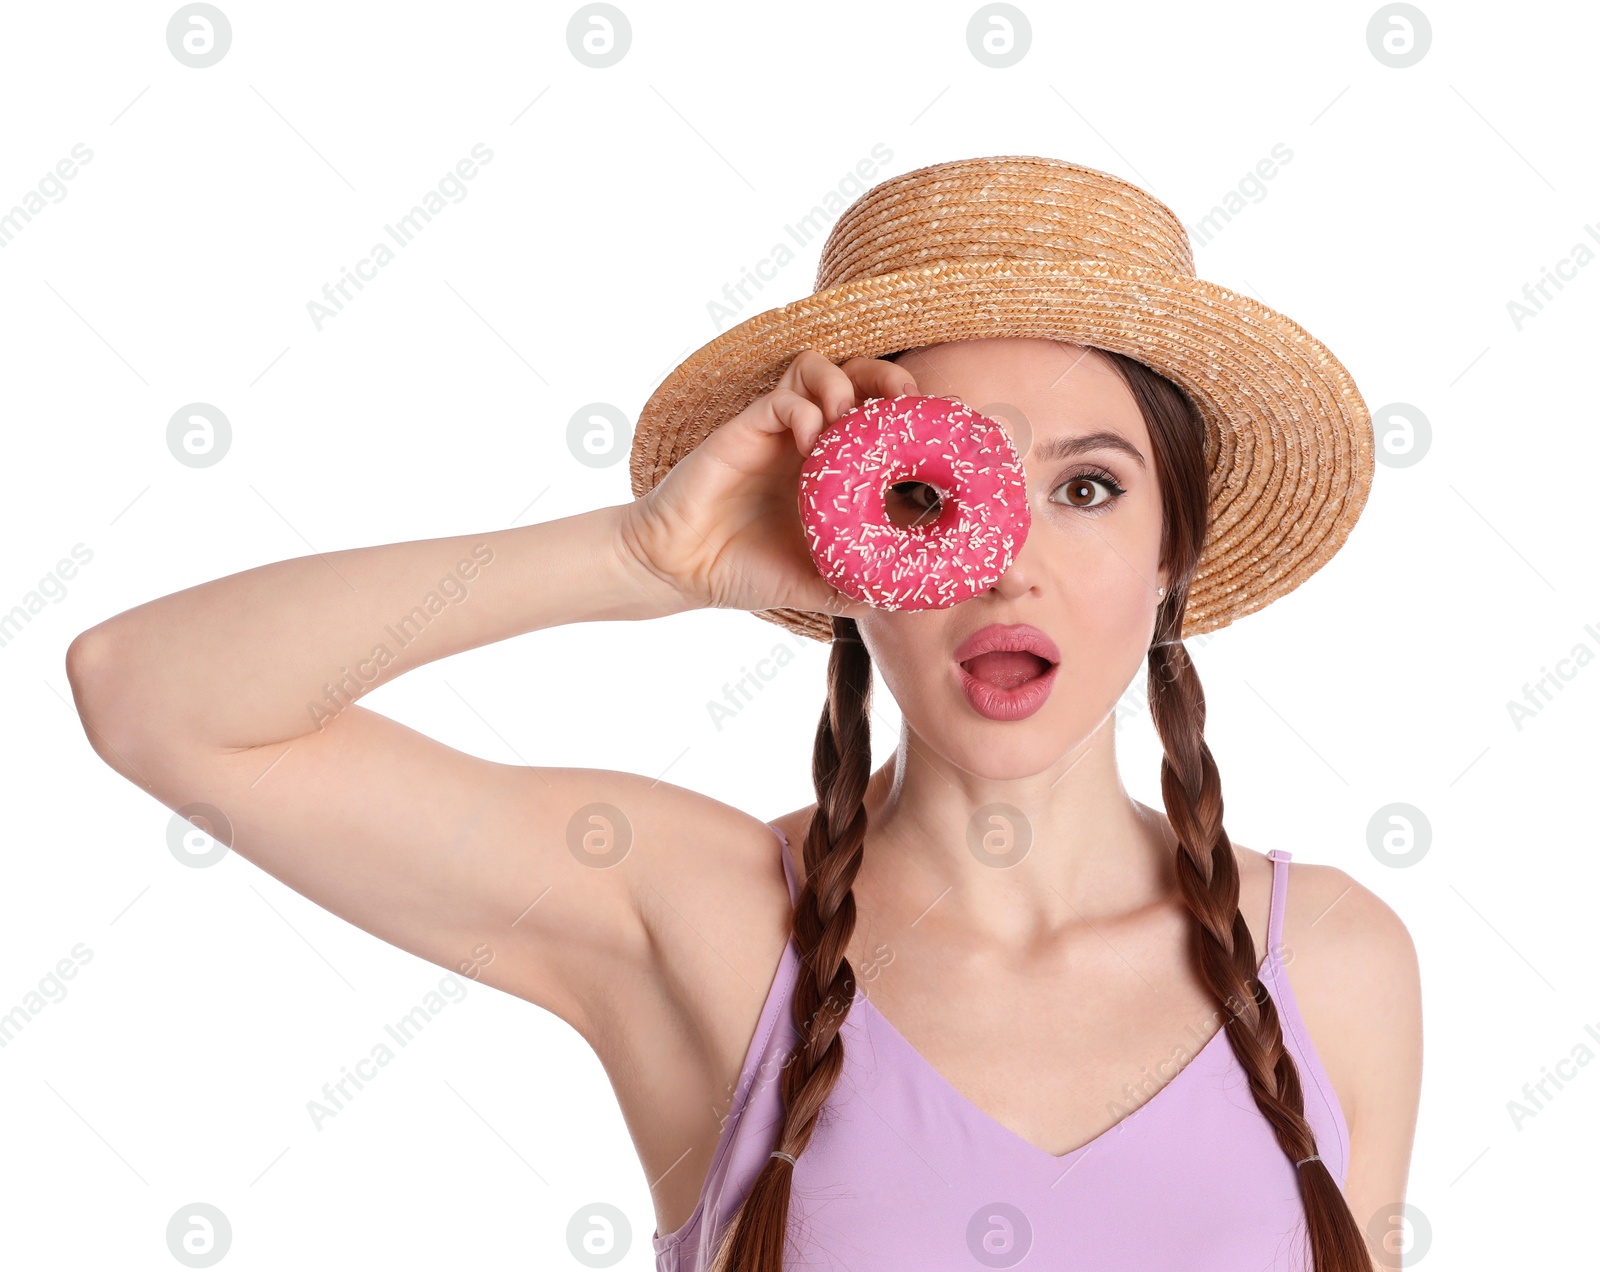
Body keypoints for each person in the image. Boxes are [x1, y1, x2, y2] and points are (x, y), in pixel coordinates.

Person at [65, 156, 1421, 1272]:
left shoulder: (1337, 966)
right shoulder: (694, 914)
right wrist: (636, 559)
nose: (1011, 563)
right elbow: (152, 695)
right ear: (842, 538)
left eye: (1087, 489)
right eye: (932, 495)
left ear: (1175, 544)